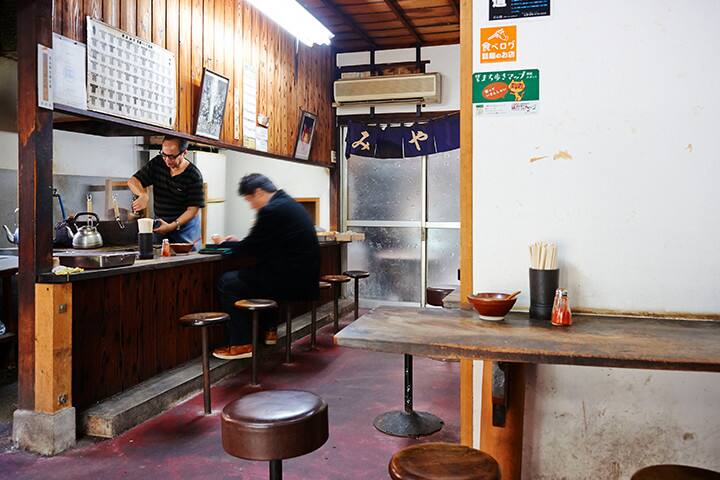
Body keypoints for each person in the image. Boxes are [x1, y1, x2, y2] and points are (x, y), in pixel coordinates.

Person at [213, 174, 320, 360]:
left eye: (249, 200)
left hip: (292, 281)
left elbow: (251, 248)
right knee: (260, 276)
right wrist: (240, 243)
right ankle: (269, 332)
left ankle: (241, 343)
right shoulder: (288, 203)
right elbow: (262, 243)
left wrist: (224, 244)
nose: (251, 206)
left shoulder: (271, 210)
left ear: (259, 192)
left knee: (228, 282)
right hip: (304, 278)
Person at [128, 136, 205, 250]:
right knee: (158, 255)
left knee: (186, 259)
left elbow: (193, 210)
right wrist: (143, 194)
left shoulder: (193, 175)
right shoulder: (158, 163)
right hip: (161, 223)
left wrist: (172, 226)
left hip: (185, 228)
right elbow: (133, 181)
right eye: (164, 155)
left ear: (184, 153)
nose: (167, 160)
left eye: (172, 157)